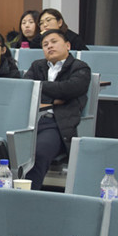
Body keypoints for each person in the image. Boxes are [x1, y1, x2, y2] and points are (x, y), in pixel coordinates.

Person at [23, 30, 91, 189]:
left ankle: (26, 196)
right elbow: (26, 89)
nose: (49, 46)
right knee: (4, 150)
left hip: (57, 124)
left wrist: (40, 87)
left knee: (38, 154)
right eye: (45, 44)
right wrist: (53, 99)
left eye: (54, 42)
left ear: (68, 45)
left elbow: (70, 89)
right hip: (30, 122)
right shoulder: (37, 66)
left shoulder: (79, 67)